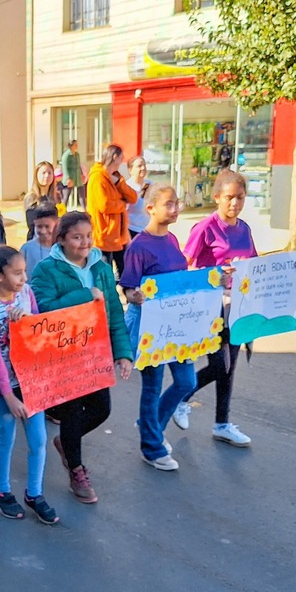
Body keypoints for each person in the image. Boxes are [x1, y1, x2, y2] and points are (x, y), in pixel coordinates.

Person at [172, 170, 296, 447]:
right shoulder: (204, 229)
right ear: (217, 197)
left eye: (240, 198)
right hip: (210, 307)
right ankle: (181, 398)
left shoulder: (244, 229)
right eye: (229, 197)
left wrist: (289, 268)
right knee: (220, 365)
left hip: (238, 306)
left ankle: (222, 423)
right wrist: (215, 273)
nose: (235, 203)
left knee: (230, 368)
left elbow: (256, 266)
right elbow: (185, 267)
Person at [29, 211, 134, 503]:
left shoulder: (100, 266)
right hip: (63, 356)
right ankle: (76, 470)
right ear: (61, 239)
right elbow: (43, 310)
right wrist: (86, 295)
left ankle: (66, 442)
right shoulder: (46, 270)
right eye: (77, 237)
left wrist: (123, 352)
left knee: (101, 409)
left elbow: (112, 310)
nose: (85, 242)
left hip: (95, 352)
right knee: (73, 413)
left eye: (88, 236)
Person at [0, 243, 57, 524]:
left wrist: (28, 320)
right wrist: (8, 395)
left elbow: (39, 330)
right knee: (6, 436)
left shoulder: (27, 293)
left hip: (31, 381)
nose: (23, 278)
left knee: (39, 440)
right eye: (17, 273)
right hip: (3, 387)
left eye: (24, 272)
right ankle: (2, 492)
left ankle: (35, 493)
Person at [120, 183, 195, 471]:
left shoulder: (174, 239)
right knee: (152, 387)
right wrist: (134, 296)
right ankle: (151, 448)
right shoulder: (139, 246)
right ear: (150, 208)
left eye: (177, 203)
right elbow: (128, 288)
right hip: (151, 327)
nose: (175, 209)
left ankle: (151, 425)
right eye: (168, 204)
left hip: (179, 326)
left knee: (187, 381)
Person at [86, 144, 138, 277]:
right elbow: (104, 205)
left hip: (118, 237)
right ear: (115, 157)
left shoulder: (114, 177)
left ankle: (128, 295)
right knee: (105, 277)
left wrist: (119, 182)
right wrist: (122, 204)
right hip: (104, 236)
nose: (122, 161)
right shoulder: (97, 177)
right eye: (121, 158)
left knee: (126, 273)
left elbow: (133, 198)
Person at [24, 161, 60, 240]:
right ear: (36, 175)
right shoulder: (31, 197)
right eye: (43, 173)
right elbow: (31, 224)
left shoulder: (57, 196)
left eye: (49, 173)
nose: (47, 176)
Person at [20, 204, 59, 275]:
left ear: (57, 223)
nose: (43, 231)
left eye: (47, 226)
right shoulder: (27, 249)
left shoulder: (63, 249)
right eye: (39, 226)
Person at [126, 155, 150, 240]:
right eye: (139, 166)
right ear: (130, 170)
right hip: (132, 231)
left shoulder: (151, 185)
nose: (143, 168)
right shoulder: (126, 187)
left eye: (144, 165)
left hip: (148, 231)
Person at [61, 140, 85, 210]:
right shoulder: (66, 155)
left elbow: (79, 165)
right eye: (75, 145)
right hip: (70, 176)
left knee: (81, 193)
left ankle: (84, 209)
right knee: (66, 196)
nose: (76, 146)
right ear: (71, 146)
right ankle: (62, 211)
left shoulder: (77, 154)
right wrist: (68, 178)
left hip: (77, 176)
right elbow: (64, 167)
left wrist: (82, 174)